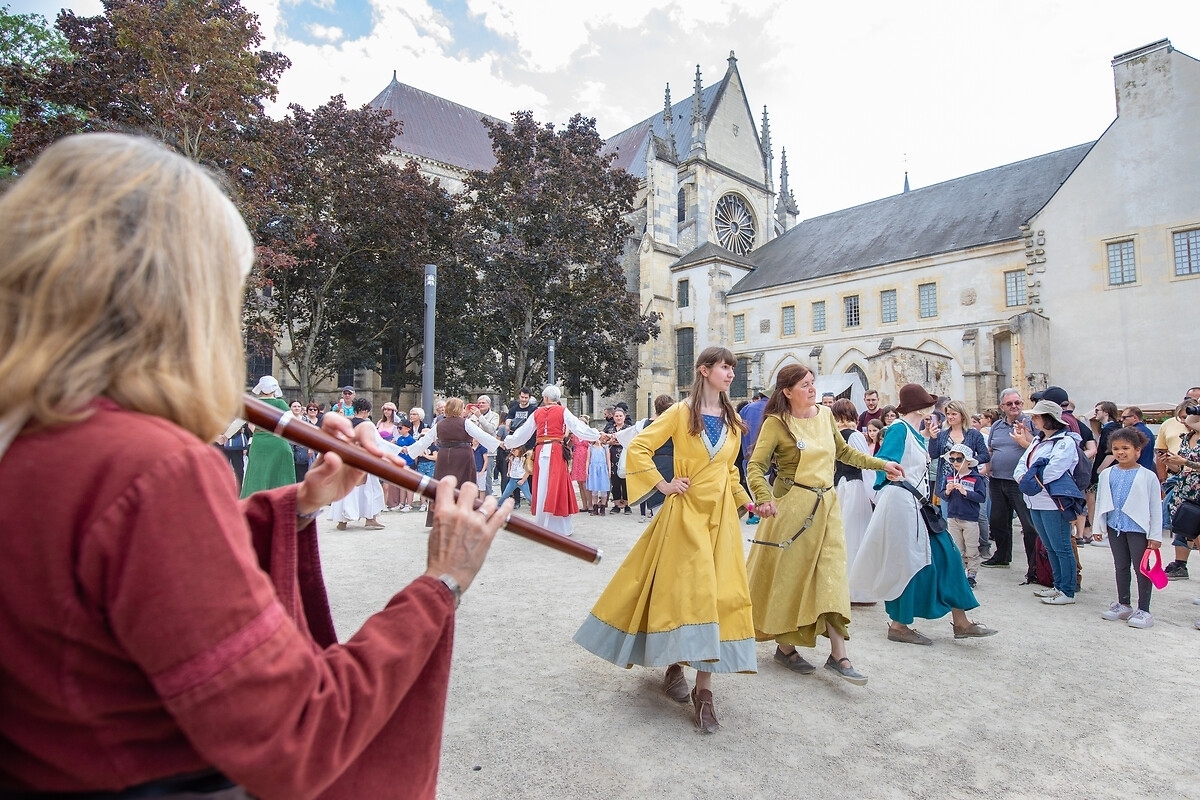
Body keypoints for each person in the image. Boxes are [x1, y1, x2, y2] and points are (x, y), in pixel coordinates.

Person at [0, 132, 508, 798]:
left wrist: (296, 502)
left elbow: (114, 571)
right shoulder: (147, 463)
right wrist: (440, 585)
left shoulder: (42, 436)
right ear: (182, 303)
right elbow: (295, 733)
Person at [574, 347, 753, 734]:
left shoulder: (734, 420)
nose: (730, 374)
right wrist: (663, 484)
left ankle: (703, 691)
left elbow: (730, 472)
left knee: (717, 596)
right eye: (725, 367)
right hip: (685, 515)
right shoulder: (679, 412)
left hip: (720, 519)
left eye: (733, 368)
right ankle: (675, 666)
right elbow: (639, 447)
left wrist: (746, 502)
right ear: (704, 371)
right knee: (686, 593)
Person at [746, 372, 899, 685]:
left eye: (812, 382)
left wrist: (881, 464)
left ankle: (839, 655)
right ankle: (785, 647)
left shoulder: (826, 415)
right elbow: (756, 467)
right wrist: (763, 498)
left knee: (830, 575)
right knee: (791, 578)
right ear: (787, 392)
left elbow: (844, 452)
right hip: (790, 511)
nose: (812, 388)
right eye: (804, 384)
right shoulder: (777, 423)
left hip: (827, 507)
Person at [849, 383, 998, 645]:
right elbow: (882, 463)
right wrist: (890, 478)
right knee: (906, 563)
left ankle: (960, 622)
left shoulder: (915, 433)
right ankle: (899, 625)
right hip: (902, 504)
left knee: (948, 555)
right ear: (922, 405)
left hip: (917, 506)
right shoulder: (898, 429)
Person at [503, 386, 602, 536]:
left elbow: (523, 432)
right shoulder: (563, 411)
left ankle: (543, 524)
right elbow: (577, 426)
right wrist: (595, 434)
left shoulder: (537, 413)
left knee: (542, 485)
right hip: (555, 451)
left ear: (546, 398)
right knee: (557, 485)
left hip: (542, 450)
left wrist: (509, 441)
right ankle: (559, 527)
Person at [1012, 399, 1082, 605]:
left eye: (1036, 416)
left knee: (1061, 546)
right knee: (1050, 546)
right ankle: (1058, 584)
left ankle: (1067, 590)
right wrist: (1024, 479)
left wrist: (1029, 480)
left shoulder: (1065, 442)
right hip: (1035, 500)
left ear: (1048, 419)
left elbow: (1054, 469)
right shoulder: (1037, 441)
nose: (1033, 420)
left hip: (1053, 502)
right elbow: (1022, 465)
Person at [1095, 427, 1163, 628]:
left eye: (1126, 448)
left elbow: (1155, 507)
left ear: (1137, 451)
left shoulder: (1148, 476)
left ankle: (1144, 609)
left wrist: (1155, 535)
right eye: (1116, 448)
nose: (1120, 452)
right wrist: (1098, 528)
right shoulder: (1106, 474)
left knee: (1141, 569)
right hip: (1115, 527)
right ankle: (1124, 603)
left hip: (1138, 529)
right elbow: (1101, 501)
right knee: (1121, 565)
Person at [404, 398, 501, 528]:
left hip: (444, 456)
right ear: (459, 409)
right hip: (463, 456)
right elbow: (481, 435)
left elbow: (425, 441)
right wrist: (499, 443)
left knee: (443, 486)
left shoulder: (439, 424)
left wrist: (409, 450)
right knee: (465, 486)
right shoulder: (465, 423)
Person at [982, 388, 1039, 577]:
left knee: (1028, 525)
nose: (1014, 406)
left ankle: (1035, 565)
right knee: (998, 521)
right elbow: (991, 450)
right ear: (1002, 407)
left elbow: (1038, 448)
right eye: (1009, 404)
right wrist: (987, 469)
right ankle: (1002, 556)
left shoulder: (1031, 423)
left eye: (1017, 403)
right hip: (998, 480)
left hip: (1020, 482)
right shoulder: (997, 426)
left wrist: (1025, 436)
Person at [830, 399, 880, 602]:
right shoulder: (855, 436)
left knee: (845, 535)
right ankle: (858, 590)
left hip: (840, 487)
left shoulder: (833, 436)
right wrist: (875, 494)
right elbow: (865, 467)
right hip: (855, 487)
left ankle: (845, 588)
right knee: (857, 535)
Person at [328, 397, 387, 531]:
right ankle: (370, 519)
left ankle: (342, 521)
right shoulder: (368, 425)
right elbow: (378, 443)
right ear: (365, 411)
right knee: (370, 490)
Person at [939, 444, 987, 588]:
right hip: (953, 517)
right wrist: (947, 492)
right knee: (956, 548)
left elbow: (982, 497)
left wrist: (966, 492)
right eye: (952, 460)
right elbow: (943, 496)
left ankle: (971, 575)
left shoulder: (976, 478)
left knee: (972, 548)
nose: (955, 463)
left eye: (959, 459)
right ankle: (959, 574)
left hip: (970, 518)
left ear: (968, 461)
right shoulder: (949, 477)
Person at [241, 375, 297, 498]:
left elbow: (241, 422)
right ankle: (281, 502)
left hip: (259, 443)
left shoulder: (254, 403)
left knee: (257, 474)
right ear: (274, 389)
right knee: (281, 474)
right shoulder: (280, 403)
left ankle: (254, 504)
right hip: (278, 443)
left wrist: (225, 436)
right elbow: (291, 422)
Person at [1162, 410, 1200, 580]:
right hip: (1184, 489)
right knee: (1184, 529)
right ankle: (1180, 565)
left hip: (1197, 490)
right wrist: (1171, 463)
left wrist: (1185, 462)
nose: (1185, 421)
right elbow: (1182, 468)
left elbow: (1187, 463)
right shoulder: (1186, 437)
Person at [1120, 406, 1157, 471]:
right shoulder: (1148, 431)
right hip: (1148, 469)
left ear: (1134, 417)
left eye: (1124, 417)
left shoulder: (1132, 432)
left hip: (1135, 470)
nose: (1121, 420)